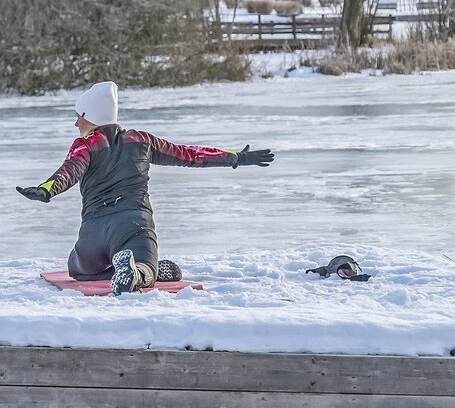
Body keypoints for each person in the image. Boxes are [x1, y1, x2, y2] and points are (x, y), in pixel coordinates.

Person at [17, 81, 274, 295]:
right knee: (145, 270)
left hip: (93, 232)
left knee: (77, 269)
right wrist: (236, 157)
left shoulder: (85, 144)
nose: (76, 124)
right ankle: (139, 269)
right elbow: (190, 154)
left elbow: (69, 170)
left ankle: (124, 267)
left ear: (89, 116)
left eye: (78, 117)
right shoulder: (141, 140)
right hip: (134, 225)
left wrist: (47, 189)